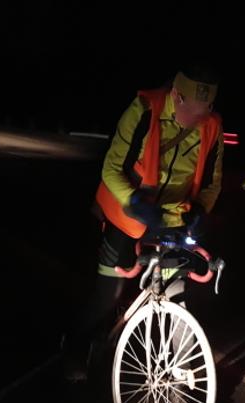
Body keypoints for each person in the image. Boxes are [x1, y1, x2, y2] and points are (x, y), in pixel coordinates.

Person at [62, 63, 225, 386]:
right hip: (126, 214)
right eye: (191, 112)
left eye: (204, 112)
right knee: (108, 294)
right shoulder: (144, 111)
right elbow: (112, 168)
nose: (197, 121)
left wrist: (201, 210)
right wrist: (134, 202)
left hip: (175, 218)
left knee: (177, 295)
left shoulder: (213, 126)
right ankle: (75, 349)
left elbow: (212, 181)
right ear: (176, 96)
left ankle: (178, 376)